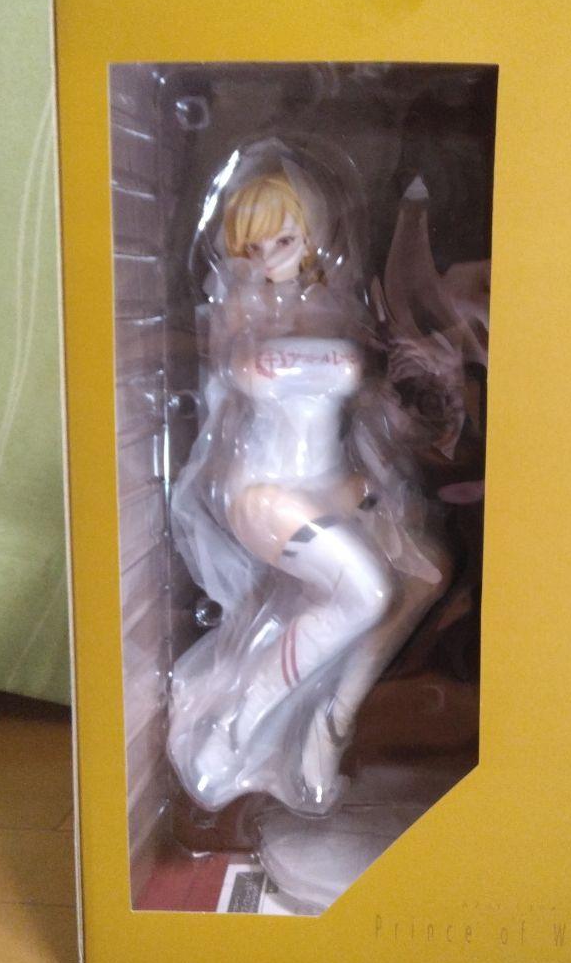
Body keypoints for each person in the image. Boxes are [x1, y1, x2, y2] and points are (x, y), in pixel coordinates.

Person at [167, 141, 448, 813]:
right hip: (265, 492)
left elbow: (367, 390)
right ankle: (235, 724)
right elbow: (245, 371)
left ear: (312, 233)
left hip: (328, 482)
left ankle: (330, 721)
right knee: (365, 593)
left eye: (283, 240)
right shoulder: (242, 311)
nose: (267, 257)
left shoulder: (336, 304)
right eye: (252, 246)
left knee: (425, 574)